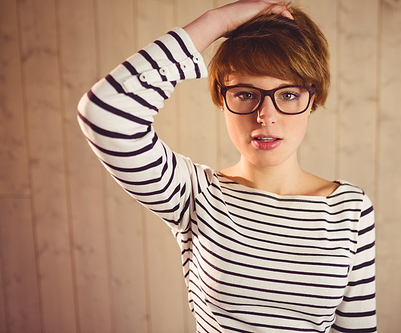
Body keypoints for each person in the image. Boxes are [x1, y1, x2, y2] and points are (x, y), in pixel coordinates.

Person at [78, 0, 377, 332]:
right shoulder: (193, 194)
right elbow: (105, 111)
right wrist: (217, 22)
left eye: (289, 94)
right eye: (246, 94)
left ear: (312, 98)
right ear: (222, 97)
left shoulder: (351, 209)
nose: (266, 116)